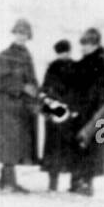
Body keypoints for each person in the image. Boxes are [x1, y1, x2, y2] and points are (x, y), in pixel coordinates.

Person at [0, 18, 40, 193]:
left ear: (28, 36)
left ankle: (4, 179)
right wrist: (22, 87)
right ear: (14, 33)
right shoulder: (4, 55)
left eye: (25, 34)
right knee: (10, 143)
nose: (21, 36)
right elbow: (1, 80)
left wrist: (35, 92)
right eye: (19, 33)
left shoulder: (27, 55)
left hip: (21, 106)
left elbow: (32, 79)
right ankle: (9, 182)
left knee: (17, 144)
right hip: (6, 105)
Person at [70, 28, 104, 196]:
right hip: (94, 113)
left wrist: (82, 108)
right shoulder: (87, 61)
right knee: (86, 146)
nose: (83, 47)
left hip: (96, 113)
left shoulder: (98, 63)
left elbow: (94, 91)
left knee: (93, 147)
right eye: (83, 44)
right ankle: (79, 181)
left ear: (95, 44)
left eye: (87, 44)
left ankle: (86, 183)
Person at [40, 39, 78, 192]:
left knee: (68, 147)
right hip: (55, 111)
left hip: (67, 113)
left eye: (65, 52)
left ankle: (72, 182)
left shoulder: (75, 67)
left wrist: (73, 108)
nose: (63, 55)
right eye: (60, 53)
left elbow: (77, 90)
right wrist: (48, 108)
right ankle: (53, 182)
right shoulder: (52, 67)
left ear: (69, 51)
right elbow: (45, 89)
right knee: (53, 148)